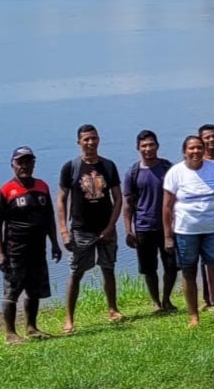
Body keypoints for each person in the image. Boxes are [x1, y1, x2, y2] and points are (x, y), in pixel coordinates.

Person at [0, 146, 63, 344]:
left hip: (38, 250)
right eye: (20, 162)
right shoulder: (4, 192)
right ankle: (10, 334)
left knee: (34, 290)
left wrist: (55, 244)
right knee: (11, 292)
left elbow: (49, 217)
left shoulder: (42, 187)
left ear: (34, 163)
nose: (25, 165)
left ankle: (31, 328)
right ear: (13, 165)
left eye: (28, 161)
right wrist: (0, 254)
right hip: (15, 251)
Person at [56, 124, 124, 334]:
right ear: (79, 142)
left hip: (105, 228)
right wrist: (64, 231)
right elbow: (61, 199)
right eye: (86, 139)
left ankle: (113, 309)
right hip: (81, 229)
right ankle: (69, 319)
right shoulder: (71, 167)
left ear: (99, 140)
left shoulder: (108, 166)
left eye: (94, 138)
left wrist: (112, 226)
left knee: (108, 268)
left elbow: (118, 197)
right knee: (76, 272)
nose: (90, 143)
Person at [162, 135, 214, 327]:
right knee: (189, 272)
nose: (196, 151)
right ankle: (193, 316)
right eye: (191, 148)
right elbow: (166, 207)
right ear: (184, 151)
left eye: (199, 147)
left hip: (213, 229)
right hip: (185, 231)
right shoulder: (175, 172)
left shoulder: (213, 167)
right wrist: (168, 236)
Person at [124, 130, 176, 313]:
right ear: (138, 148)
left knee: (171, 266)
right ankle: (156, 302)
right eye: (144, 145)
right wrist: (128, 229)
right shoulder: (133, 172)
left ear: (157, 146)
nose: (148, 149)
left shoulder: (168, 168)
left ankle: (167, 299)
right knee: (148, 268)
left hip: (167, 226)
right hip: (144, 227)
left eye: (151, 144)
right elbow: (128, 204)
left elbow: (177, 197)